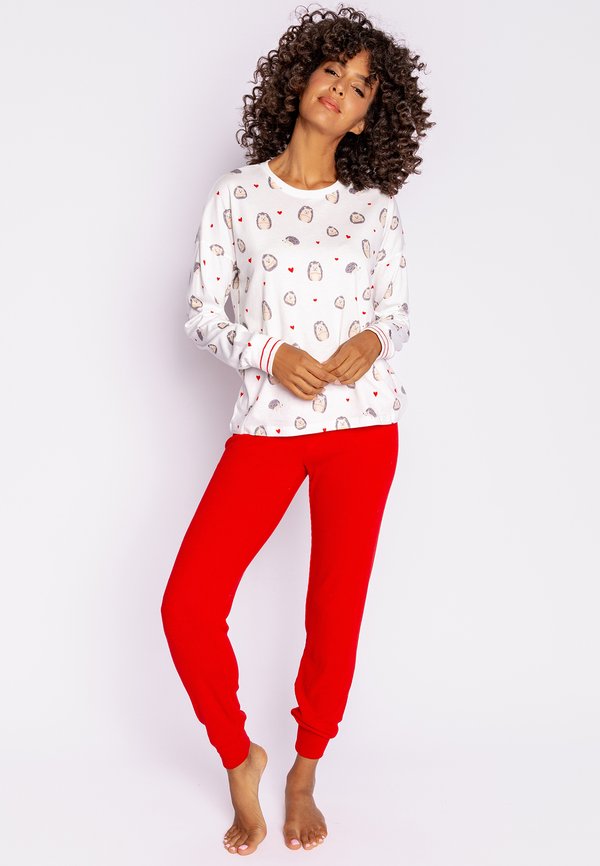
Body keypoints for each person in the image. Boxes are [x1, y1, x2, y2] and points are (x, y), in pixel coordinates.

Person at [161, 4, 434, 856]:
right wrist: (270, 352)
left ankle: (305, 770)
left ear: (367, 118)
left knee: (333, 611)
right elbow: (202, 314)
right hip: (267, 426)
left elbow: (395, 314)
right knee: (188, 605)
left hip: (364, 427)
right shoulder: (237, 196)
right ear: (302, 77)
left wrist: (371, 341)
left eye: (361, 88)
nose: (341, 90)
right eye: (332, 71)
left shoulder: (374, 208)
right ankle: (240, 756)